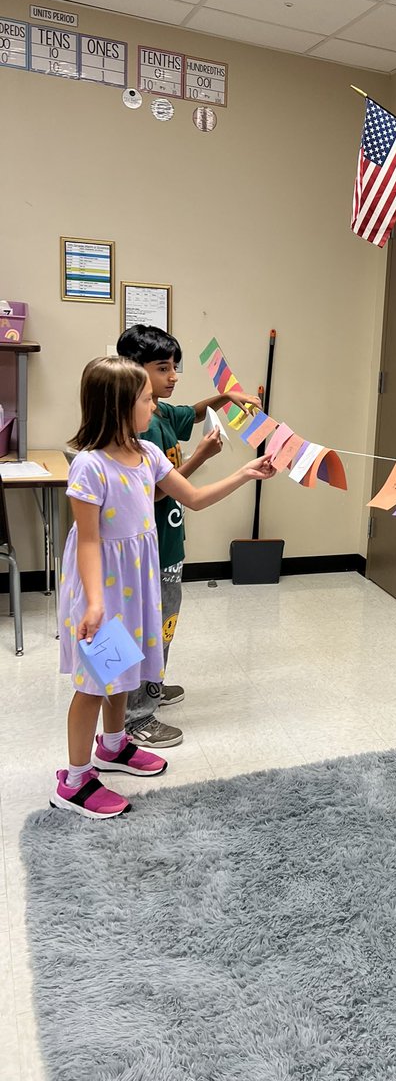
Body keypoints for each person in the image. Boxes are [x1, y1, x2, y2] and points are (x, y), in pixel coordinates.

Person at [51, 356, 275, 820]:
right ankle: (73, 780)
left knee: (124, 672)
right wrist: (94, 602)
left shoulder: (148, 455)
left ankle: (112, 746)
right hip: (103, 589)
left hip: (136, 583)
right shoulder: (90, 468)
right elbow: (89, 542)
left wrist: (245, 473)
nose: (155, 407)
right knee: (96, 682)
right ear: (118, 407)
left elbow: (191, 497)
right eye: (147, 399)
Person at [115, 325, 261, 749]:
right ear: (132, 372)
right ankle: (136, 716)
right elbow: (158, 490)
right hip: (149, 547)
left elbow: (191, 414)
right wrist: (200, 455)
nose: (173, 375)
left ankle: (150, 690)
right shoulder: (137, 428)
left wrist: (223, 398)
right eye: (163, 368)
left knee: (163, 626)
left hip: (169, 543)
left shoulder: (157, 412)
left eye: (175, 367)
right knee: (150, 629)